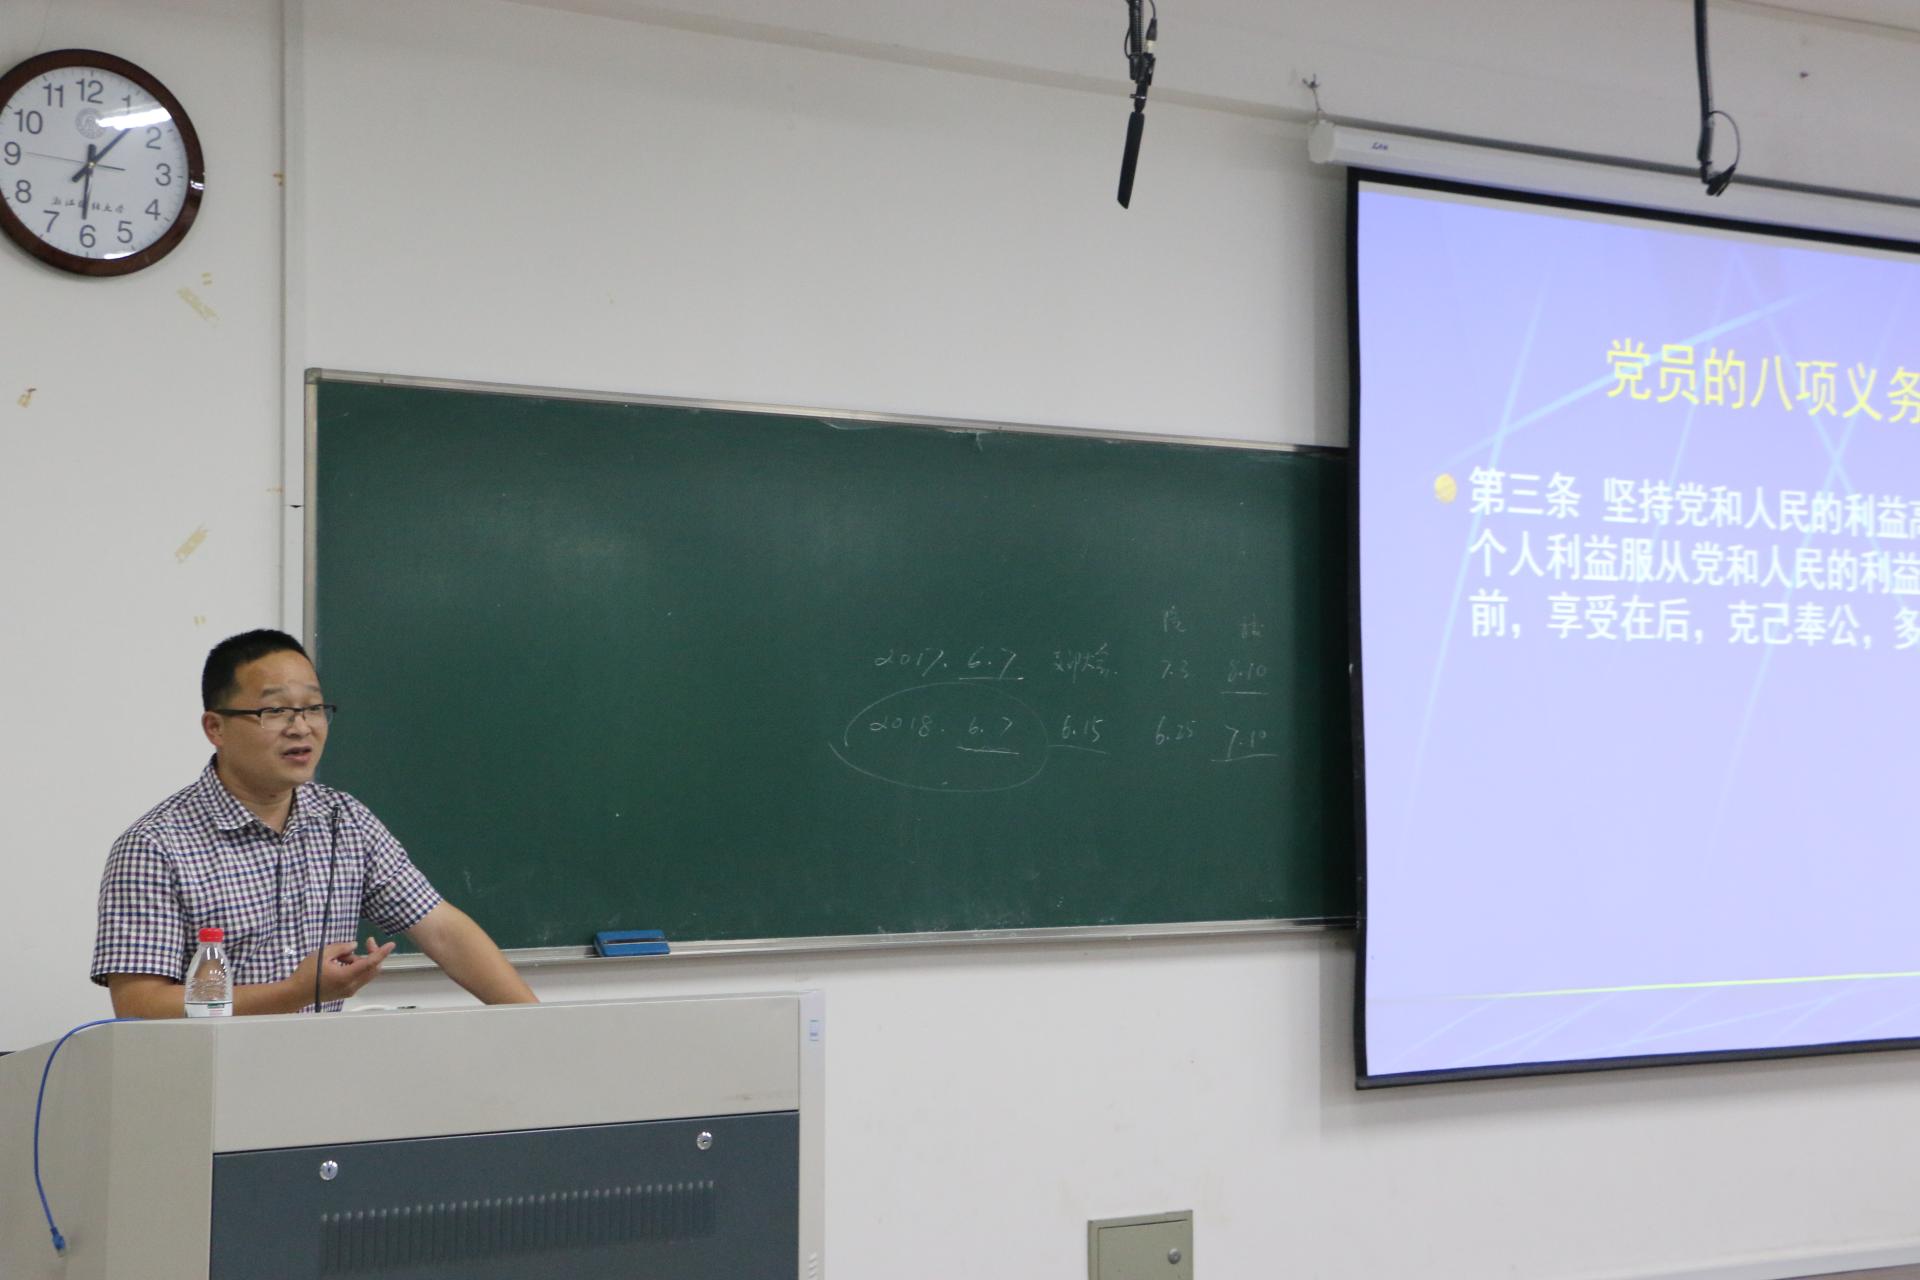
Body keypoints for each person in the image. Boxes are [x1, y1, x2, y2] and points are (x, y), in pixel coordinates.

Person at [91, 628, 537, 1016]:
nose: (301, 727)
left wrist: (539, 1025)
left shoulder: (344, 821)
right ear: (215, 728)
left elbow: (443, 931)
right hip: (208, 1079)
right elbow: (140, 1005)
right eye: (275, 711)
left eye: (313, 708)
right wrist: (294, 993)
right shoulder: (155, 846)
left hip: (322, 1071)